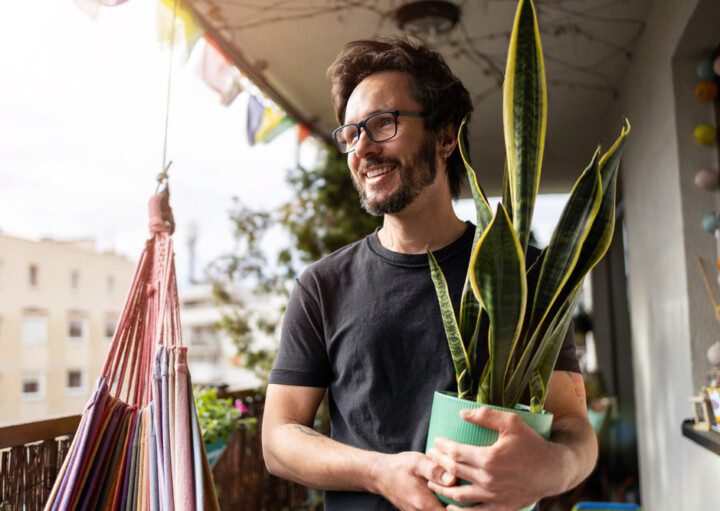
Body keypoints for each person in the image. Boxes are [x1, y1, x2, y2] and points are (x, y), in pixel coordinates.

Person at [262, 38, 597, 511]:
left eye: (383, 124)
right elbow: (278, 439)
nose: (363, 148)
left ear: (445, 136)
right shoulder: (323, 286)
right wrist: (379, 473)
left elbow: (573, 425)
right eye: (352, 133)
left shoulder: (526, 275)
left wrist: (552, 468)